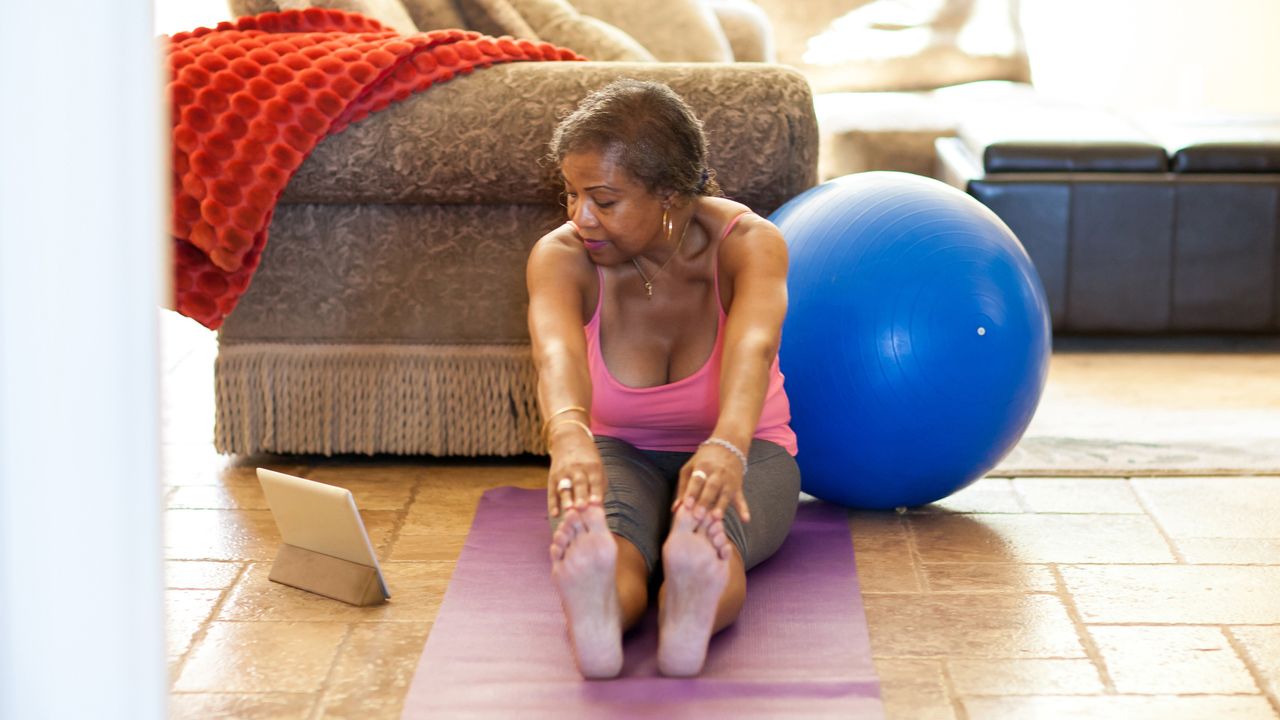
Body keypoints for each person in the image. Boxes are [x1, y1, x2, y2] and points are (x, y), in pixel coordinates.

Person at [525, 79, 800, 679]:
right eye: (571, 194)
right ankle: (599, 608)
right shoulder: (562, 255)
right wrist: (569, 436)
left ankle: (690, 607)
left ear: (670, 195)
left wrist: (726, 446)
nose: (580, 217)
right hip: (618, 451)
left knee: (710, 538)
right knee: (616, 539)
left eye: (604, 199)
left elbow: (754, 348)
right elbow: (555, 354)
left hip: (750, 449)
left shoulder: (750, 245)